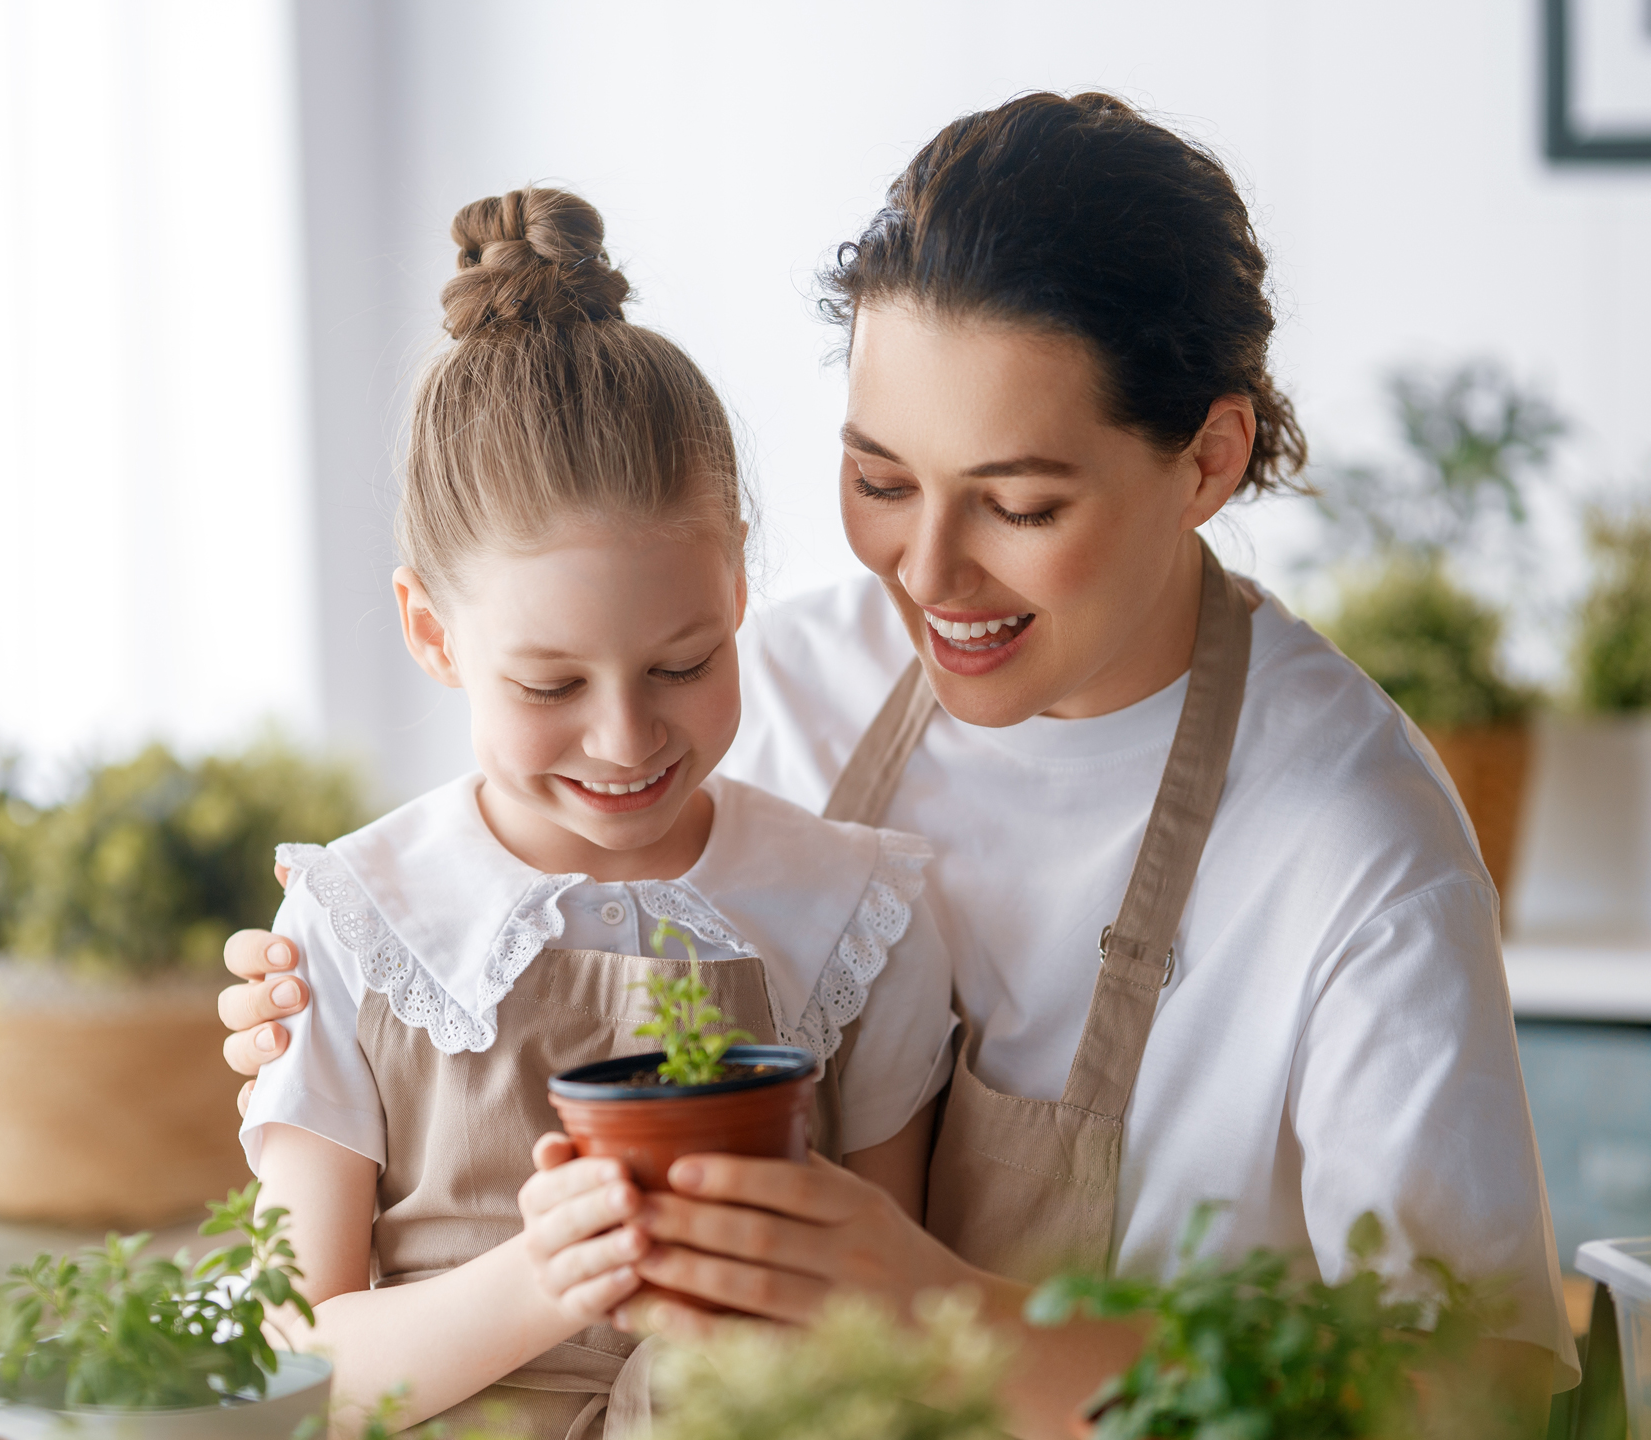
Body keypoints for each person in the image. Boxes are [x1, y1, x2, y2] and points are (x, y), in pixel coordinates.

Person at [223, 95, 1577, 1436]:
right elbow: (482, 894)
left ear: (1211, 458)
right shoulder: (769, 684)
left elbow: (1483, 1393)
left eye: (1021, 504)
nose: (925, 578)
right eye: (880, 481)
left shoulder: (1352, 845)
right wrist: (339, 993)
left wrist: (952, 1322)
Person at [237, 188, 954, 1437]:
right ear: (430, 632)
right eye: (550, 684)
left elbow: (893, 1333)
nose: (626, 741)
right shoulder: (353, 924)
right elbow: (293, 1371)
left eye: (682, 663)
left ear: (737, 587)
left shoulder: (860, 914)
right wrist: (539, 1283)